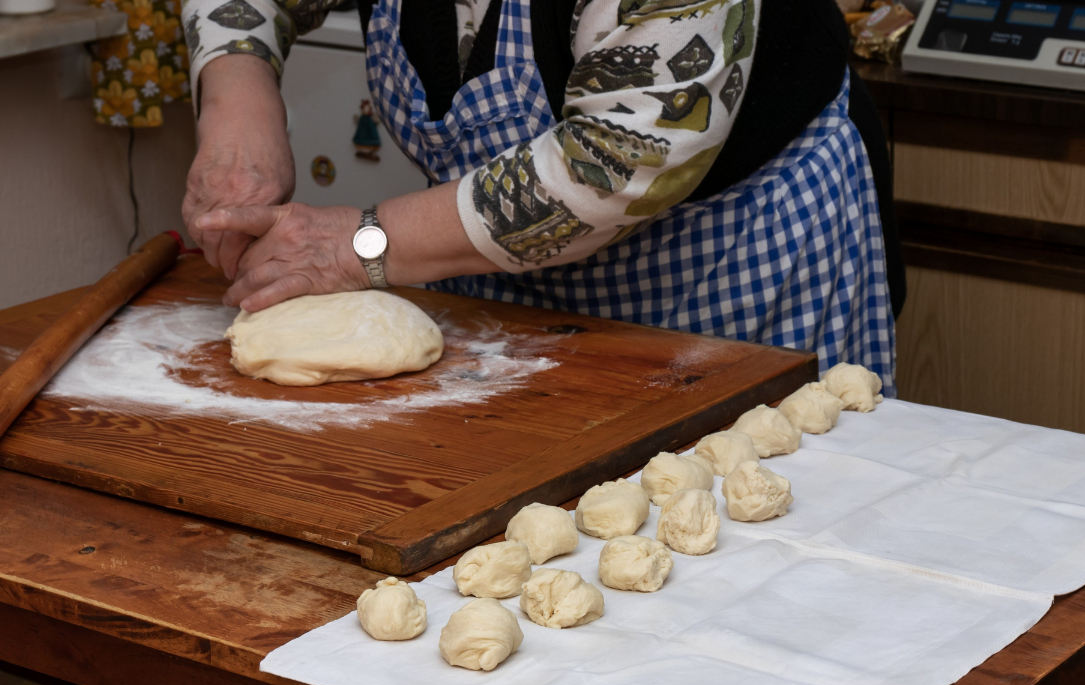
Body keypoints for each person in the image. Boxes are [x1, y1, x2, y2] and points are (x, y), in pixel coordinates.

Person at [181, 0, 904, 394]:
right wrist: (237, 103)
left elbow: (618, 162)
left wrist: (359, 242)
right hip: (499, 264)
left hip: (725, 251)